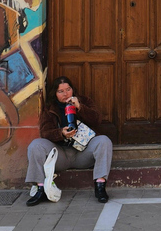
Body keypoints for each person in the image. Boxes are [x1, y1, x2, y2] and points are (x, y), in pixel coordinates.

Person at [25, 76, 113, 205]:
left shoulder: (83, 101)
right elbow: (45, 132)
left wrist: (80, 107)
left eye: (68, 89)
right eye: (61, 91)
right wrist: (61, 133)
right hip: (60, 155)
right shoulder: (50, 108)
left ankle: (100, 186)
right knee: (35, 145)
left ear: (73, 89)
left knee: (104, 141)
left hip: (83, 153)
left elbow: (97, 120)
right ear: (55, 94)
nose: (65, 94)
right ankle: (41, 188)